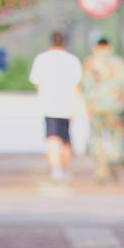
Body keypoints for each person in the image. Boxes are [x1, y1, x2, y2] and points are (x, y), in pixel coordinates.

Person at [29, 31, 82, 183]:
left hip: (49, 105)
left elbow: (36, 82)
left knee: (52, 138)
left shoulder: (42, 59)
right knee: (65, 139)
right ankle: (64, 169)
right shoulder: (72, 60)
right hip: (67, 104)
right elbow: (77, 85)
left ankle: (56, 169)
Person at [82, 37, 124, 183]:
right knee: (116, 137)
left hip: (96, 107)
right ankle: (113, 158)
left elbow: (86, 86)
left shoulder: (90, 63)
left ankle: (101, 169)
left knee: (97, 138)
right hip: (115, 106)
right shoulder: (118, 63)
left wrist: (88, 105)